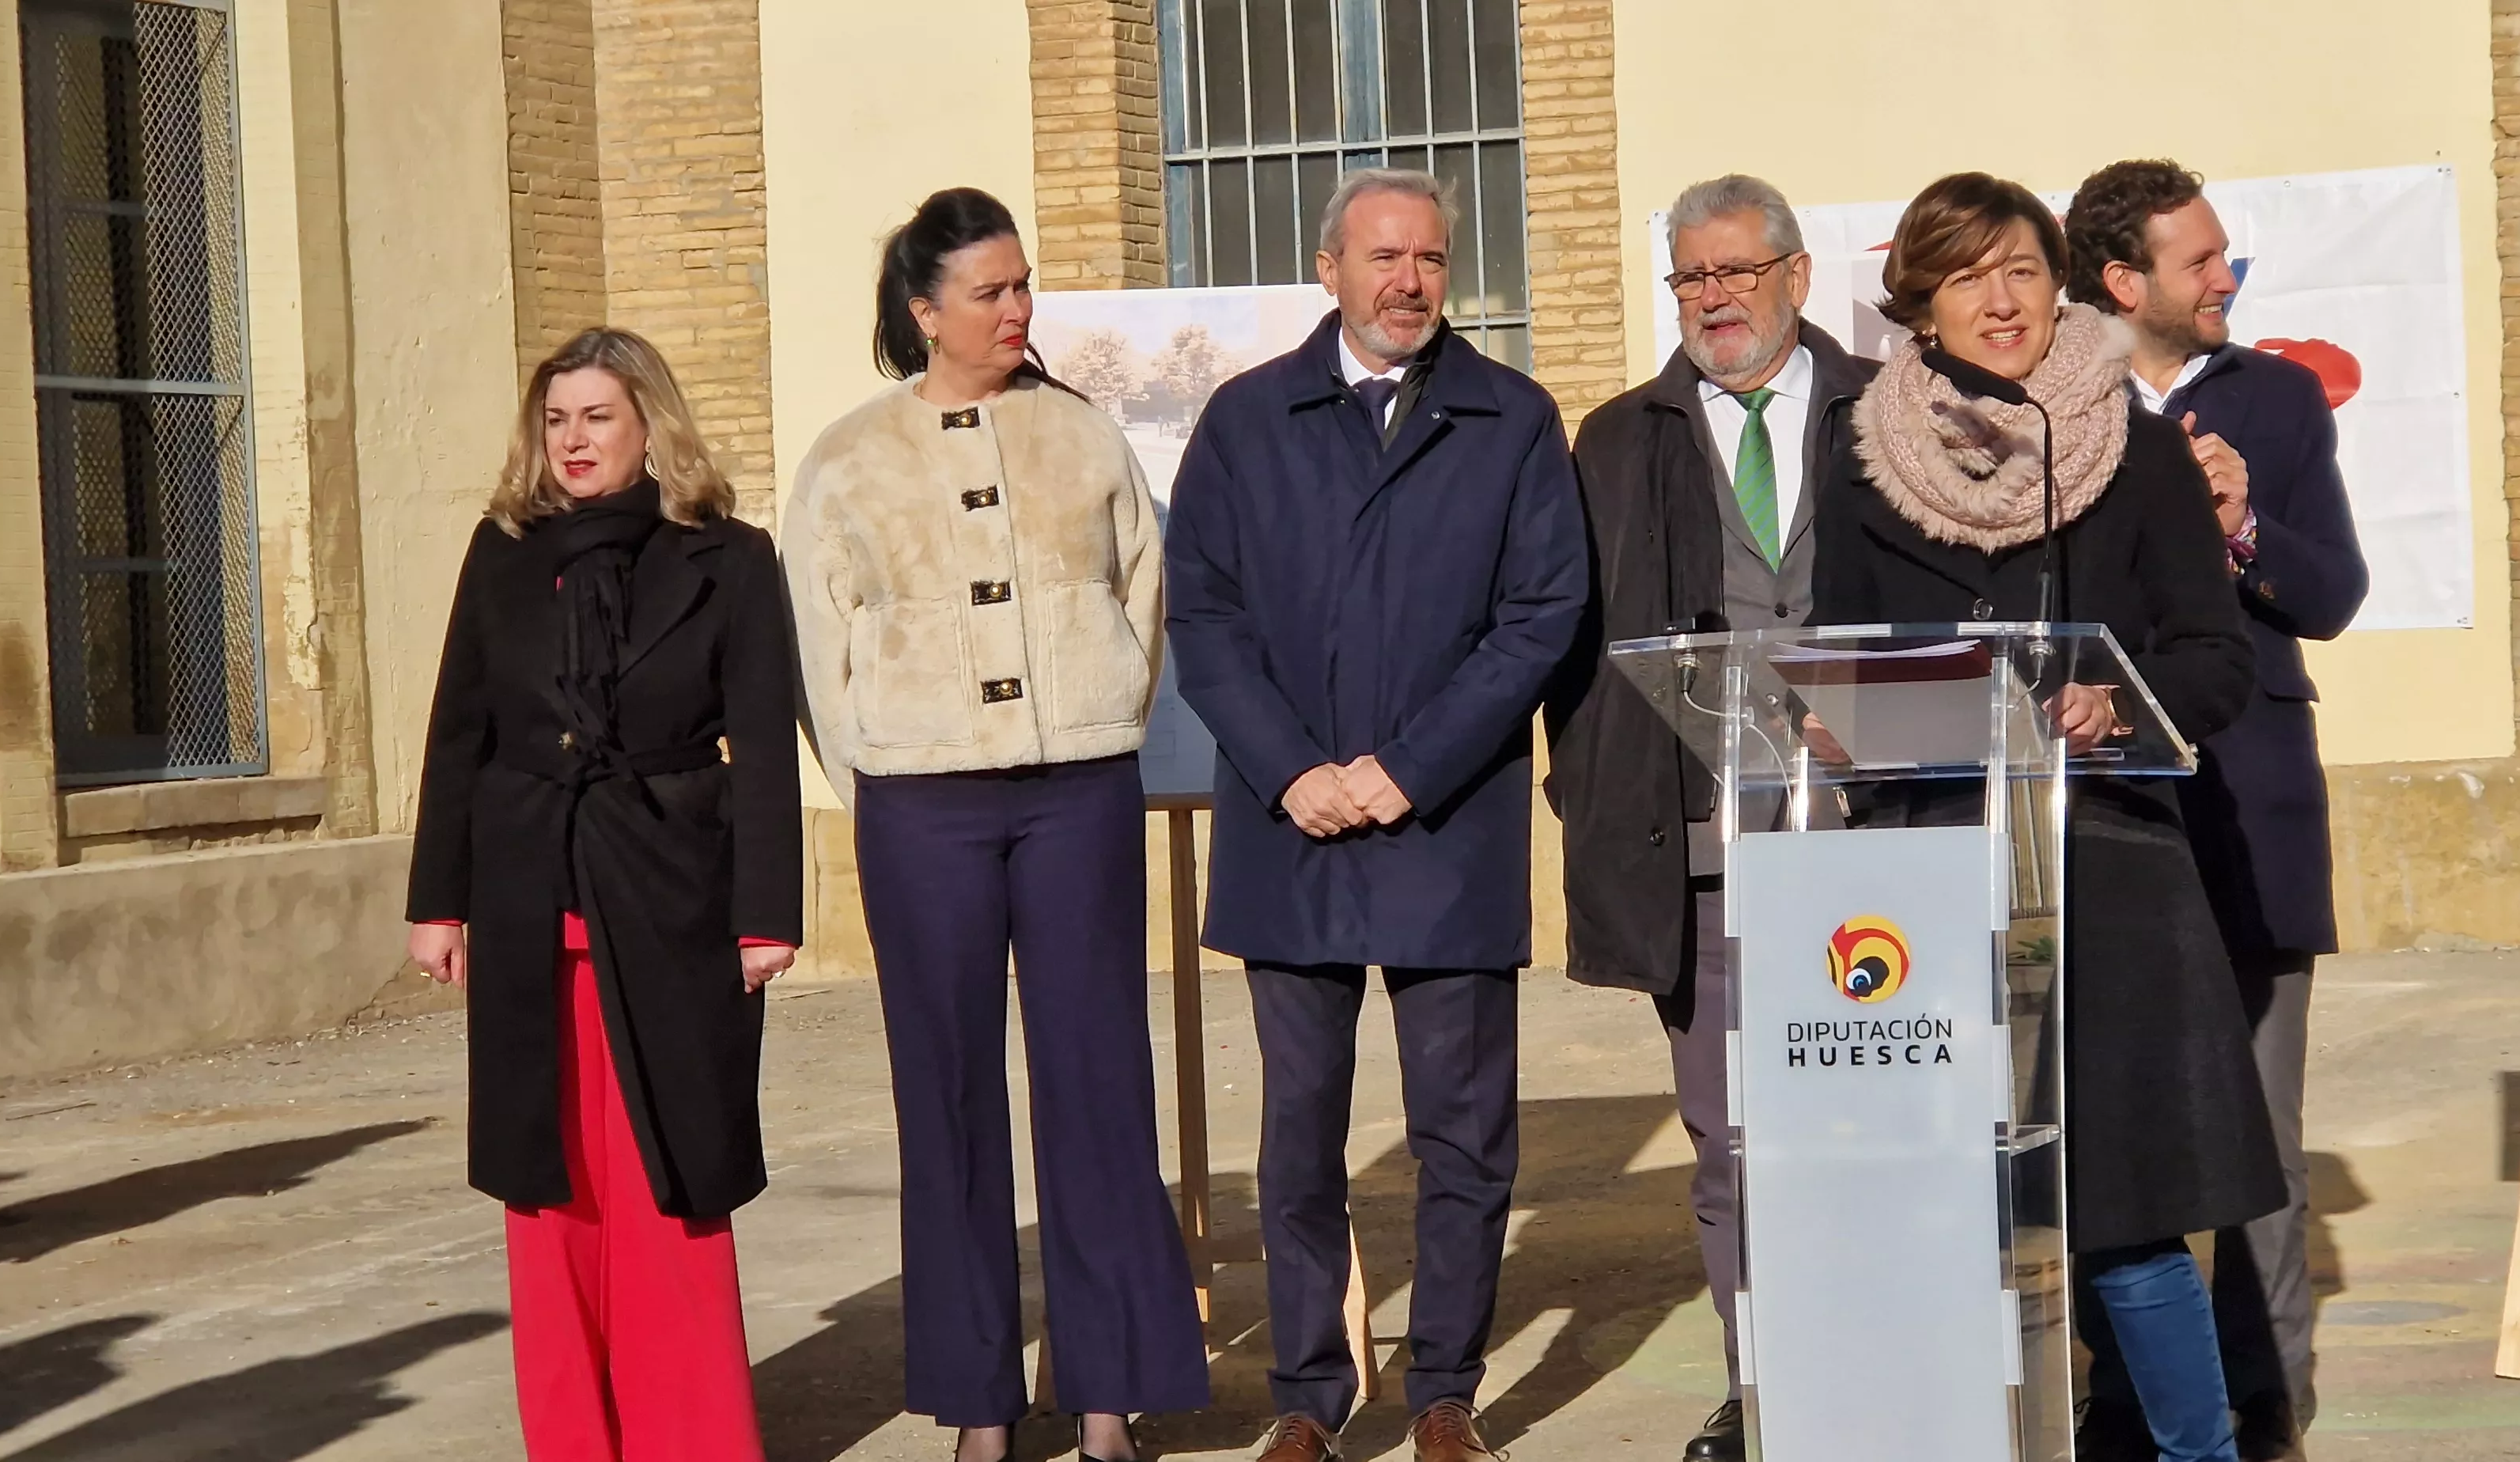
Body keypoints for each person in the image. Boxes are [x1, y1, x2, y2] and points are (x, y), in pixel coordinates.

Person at [1809, 172, 2286, 1462]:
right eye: (1967, 278)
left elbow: (2215, 660)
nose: (2002, 301)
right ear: (1921, 304)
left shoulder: (2133, 447)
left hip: (2107, 870)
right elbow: (1841, 651)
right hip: (1930, 874)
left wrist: (2115, 701)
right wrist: (1831, 718)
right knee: (1948, 1211)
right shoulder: (1859, 459)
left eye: (2021, 269)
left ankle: (2197, 1451)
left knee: (2126, 1220)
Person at [1164, 168, 1587, 1462]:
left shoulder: (1510, 420)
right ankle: (1306, 1397)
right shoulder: (1247, 420)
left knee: (1463, 1135)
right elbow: (1205, 616)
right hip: (1288, 829)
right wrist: (1292, 770)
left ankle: (1446, 1391)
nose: (1410, 281)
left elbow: (1542, 616)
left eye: (1432, 259)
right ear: (1330, 269)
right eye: (1384, 257)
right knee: (1300, 1137)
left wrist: (1410, 767)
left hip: (1444, 827)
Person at [779, 187, 1209, 1462]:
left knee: (1099, 1083)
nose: (1018, 308)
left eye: (1023, 285)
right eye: (990, 291)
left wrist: (1093, 719)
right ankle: (978, 1406)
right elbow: (817, 650)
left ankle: (1107, 1402)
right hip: (921, 805)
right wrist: (883, 775)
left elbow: (1142, 595)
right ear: (926, 310)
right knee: (948, 1095)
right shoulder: (850, 458)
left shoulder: (1084, 436)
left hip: (1078, 791)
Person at [405, 325, 801, 1461]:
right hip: (528, 889)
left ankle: (695, 1439)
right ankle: (575, 1440)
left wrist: (767, 914)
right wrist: (439, 901)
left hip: (671, 890)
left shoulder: (730, 558)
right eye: (556, 420)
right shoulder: (503, 551)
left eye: (597, 418)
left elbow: (763, 740)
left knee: (670, 1174)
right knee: (551, 1186)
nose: (573, 441)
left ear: (651, 428)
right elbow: (459, 729)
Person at [1546, 172, 1876, 1462]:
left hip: (1881, 844)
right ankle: (1766, 1395)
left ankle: (1887, 1377)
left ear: (1797, 276)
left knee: (1878, 1128)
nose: (1713, 298)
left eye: (1737, 272)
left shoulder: (1890, 413)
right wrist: (1591, 787)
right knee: (1733, 1141)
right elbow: (1572, 641)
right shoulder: (1617, 440)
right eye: (1692, 276)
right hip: (1701, 847)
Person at [2068, 158, 2371, 1462]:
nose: (2224, 278)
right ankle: (2124, 1401)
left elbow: (2334, 593)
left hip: (2254, 806)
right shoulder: (2050, 407)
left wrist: (2241, 529)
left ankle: (2265, 1406)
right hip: (2101, 816)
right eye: (2198, 260)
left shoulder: (2278, 399)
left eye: (2224, 254)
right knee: (2097, 1131)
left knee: (2261, 1142)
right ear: (2121, 281)